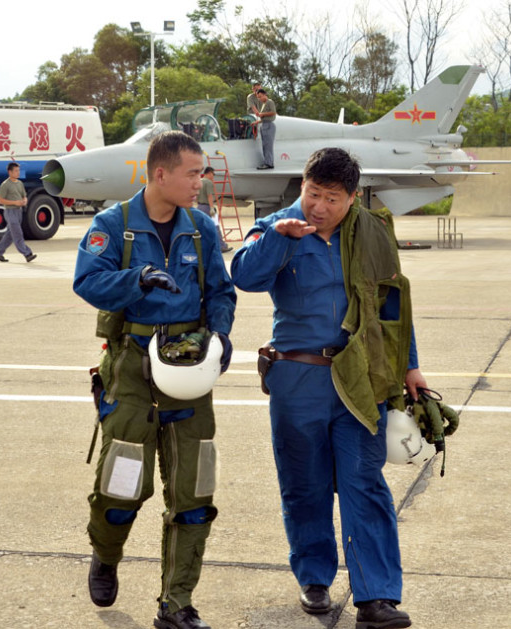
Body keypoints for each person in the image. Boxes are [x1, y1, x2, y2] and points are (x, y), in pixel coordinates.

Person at [231, 147, 424, 629]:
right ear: (302, 184)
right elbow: (244, 276)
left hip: (361, 378)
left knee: (365, 484)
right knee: (305, 484)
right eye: (312, 193)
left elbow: (391, 306)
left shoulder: (372, 232)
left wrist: (410, 366)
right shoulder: (275, 226)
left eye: (331, 198)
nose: (318, 206)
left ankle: (376, 597)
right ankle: (314, 578)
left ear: (352, 197)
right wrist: (279, 240)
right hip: (298, 379)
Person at [73, 130, 237, 629]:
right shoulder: (114, 226)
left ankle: (176, 603)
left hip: (189, 373)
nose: (200, 182)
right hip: (132, 375)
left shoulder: (201, 228)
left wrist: (221, 336)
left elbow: (221, 291)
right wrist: (137, 279)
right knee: (121, 490)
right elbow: (87, 281)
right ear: (160, 174)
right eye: (193, 173)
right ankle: (106, 554)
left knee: (194, 496)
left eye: (202, 173)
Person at [0, 162, 36, 262]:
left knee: (9, 235)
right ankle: (27, 254)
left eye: (18, 170)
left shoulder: (20, 183)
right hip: (10, 212)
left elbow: (24, 196)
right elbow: (0, 200)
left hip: (18, 212)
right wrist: (15, 202)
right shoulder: (5, 184)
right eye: (16, 171)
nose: (18, 172)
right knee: (18, 234)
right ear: (10, 172)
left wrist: (24, 200)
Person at [197, 166, 231, 253]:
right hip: (207, 207)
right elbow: (209, 196)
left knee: (201, 227)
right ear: (209, 173)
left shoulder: (199, 181)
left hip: (199, 207)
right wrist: (212, 208)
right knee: (215, 226)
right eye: (213, 174)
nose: (213, 176)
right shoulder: (208, 182)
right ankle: (221, 246)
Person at [254, 89, 276, 170]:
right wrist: (257, 122)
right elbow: (264, 117)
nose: (259, 99)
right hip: (264, 124)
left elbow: (273, 112)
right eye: (258, 97)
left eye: (260, 96)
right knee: (265, 145)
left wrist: (262, 114)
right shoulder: (263, 104)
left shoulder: (270, 102)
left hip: (268, 125)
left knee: (268, 145)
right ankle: (267, 162)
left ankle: (268, 163)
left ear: (264, 95)